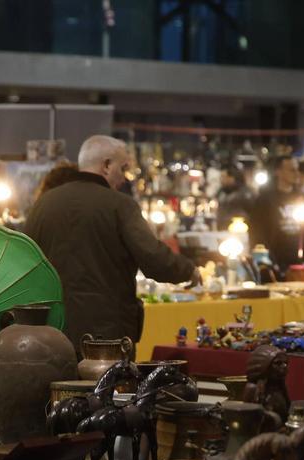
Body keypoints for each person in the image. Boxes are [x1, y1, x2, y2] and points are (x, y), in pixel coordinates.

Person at [24, 135, 196, 349]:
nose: (125, 178)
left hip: (50, 332)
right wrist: (189, 271)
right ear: (106, 165)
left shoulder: (44, 204)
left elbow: (26, 262)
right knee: (106, 384)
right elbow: (154, 259)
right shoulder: (120, 206)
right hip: (105, 334)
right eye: (123, 169)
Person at [248, 155, 304, 275]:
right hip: (273, 261)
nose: (296, 173)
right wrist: (267, 261)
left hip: (297, 262)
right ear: (278, 172)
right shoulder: (265, 199)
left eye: (297, 169)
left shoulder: (301, 197)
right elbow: (257, 231)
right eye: (291, 170)